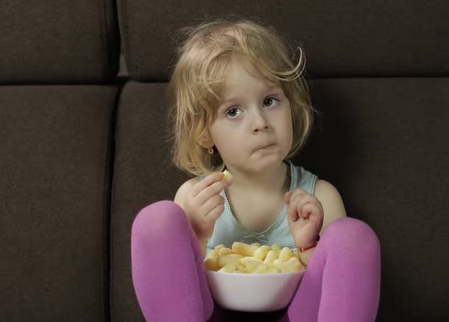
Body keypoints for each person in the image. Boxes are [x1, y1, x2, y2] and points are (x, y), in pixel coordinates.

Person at [131, 18, 381, 322]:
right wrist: (196, 235)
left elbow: (333, 287)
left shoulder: (320, 197)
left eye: (270, 101)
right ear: (204, 133)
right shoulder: (195, 197)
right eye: (233, 111)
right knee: (156, 221)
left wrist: (309, 244)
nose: (260, 122)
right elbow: (182, 285)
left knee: (353, 237)